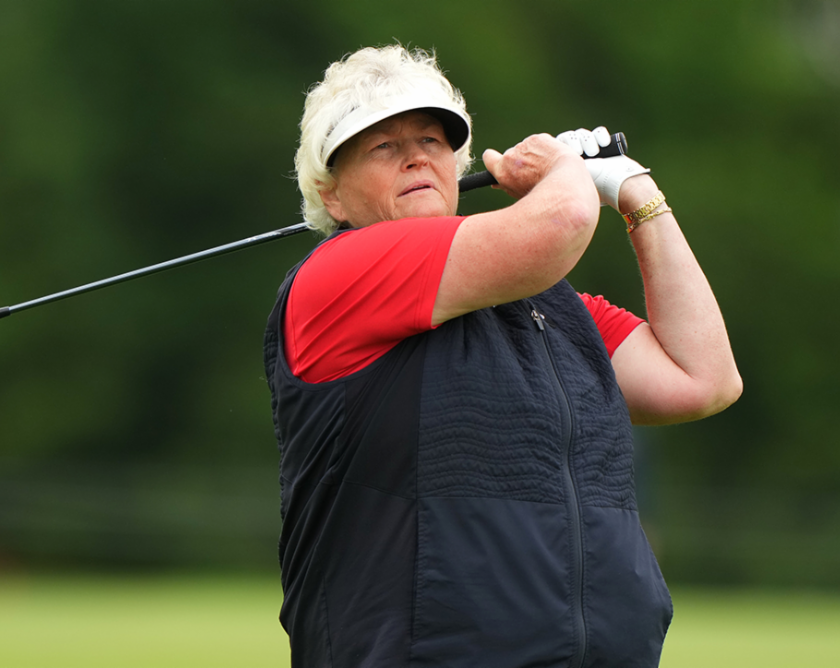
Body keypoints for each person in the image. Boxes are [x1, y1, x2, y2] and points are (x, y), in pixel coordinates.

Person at [263, 45, 741, 667]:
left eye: (432, 140)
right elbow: (562, 219)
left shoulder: (552, 307)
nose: (415, 155)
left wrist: (634, 190)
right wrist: (564, 167)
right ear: (332, 197)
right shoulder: (341, 273)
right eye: (382, 145)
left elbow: (703, 377)